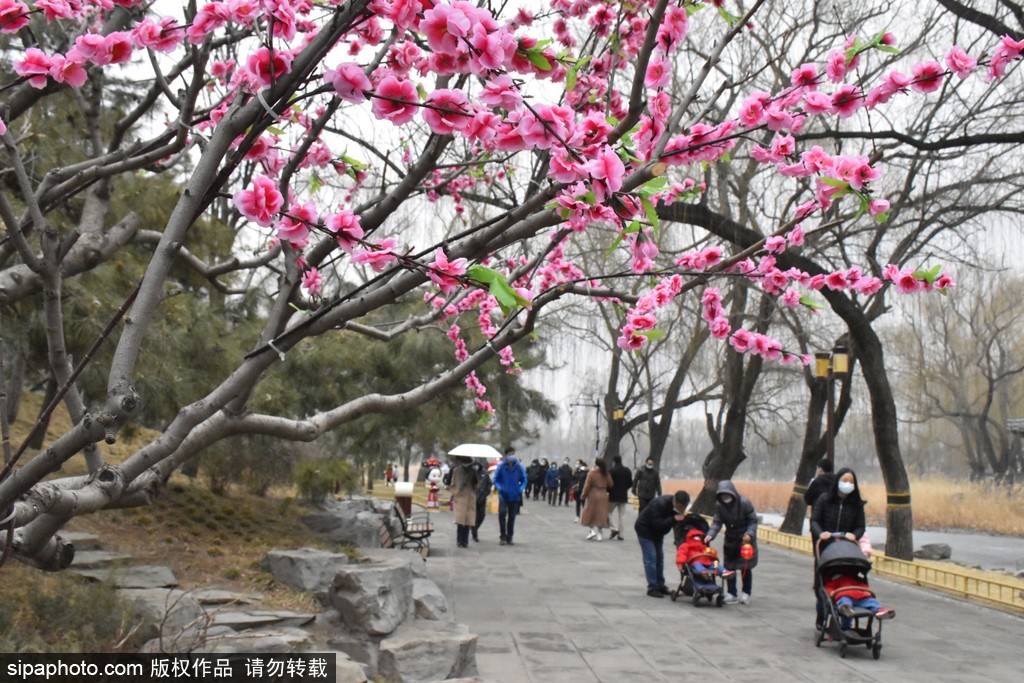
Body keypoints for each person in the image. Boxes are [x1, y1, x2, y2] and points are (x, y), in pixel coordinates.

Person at [810, 467, 867, 629]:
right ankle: (821, 615)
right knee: (822, 583)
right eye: (845, 481)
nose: (847, 484)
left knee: (846, 582)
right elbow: (815, 520)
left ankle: (845, 617)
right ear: (837, 482)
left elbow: (861, 526)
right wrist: (821, 534)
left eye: (851, 482)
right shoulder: (824, 499)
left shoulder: (856, 505)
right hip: (826, 549)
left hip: (847, 550)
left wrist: (854, 535)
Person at [705, 480, 758, 605]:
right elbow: (717, 522)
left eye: (727, 494)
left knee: (745, 568)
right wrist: (710, 534)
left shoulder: (744, 503)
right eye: (722, 495)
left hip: (745, 540)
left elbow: (753, 520)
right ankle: (731, 593)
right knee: (730, 567)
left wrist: (749, 534)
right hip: (730, 540)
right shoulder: (719, 506)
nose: (725, 497)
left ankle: (746, 593)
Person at [634, 490, 690, 597]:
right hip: (645, 530)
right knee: (651, 558)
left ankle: (660, 584)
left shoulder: (678, 509)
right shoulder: (659, 504)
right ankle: (652, 587)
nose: (681, 509)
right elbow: (657, 524)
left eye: (683, 507)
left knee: (660, 558)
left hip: (658, 534)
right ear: (674, 501)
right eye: (679, 506)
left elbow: (676, 525)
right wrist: (673, 518)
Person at [822, 568, 895, 628]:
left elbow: (829, 589)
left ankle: (847, 612)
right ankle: (878, 610)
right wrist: (867, 591)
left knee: (846, 601)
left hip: (849, 594)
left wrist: (832, 593)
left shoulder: (835, 582)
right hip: (858, 596)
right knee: (871, 602)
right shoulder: (852, 580)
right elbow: (863, 586)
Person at [493, 447, 527, 545]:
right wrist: (500, 488)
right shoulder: (501, 466)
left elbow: (524, 479)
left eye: (513, 454)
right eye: (510, 454)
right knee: (502, 514)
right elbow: (496, 479)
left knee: (512, 517)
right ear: (506, 455)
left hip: (515, 495)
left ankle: (510, 536)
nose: (512, 456)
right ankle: (503, 536)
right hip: (503, 495)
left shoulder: (519, 467)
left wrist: (520, 489)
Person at [448, 456, 480, 548]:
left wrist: (475, 477)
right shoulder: (456, 470)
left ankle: (465, 541)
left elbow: (476, 484)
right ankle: (460, 540)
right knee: (460, 520)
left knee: (468, 520)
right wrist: (454, 491)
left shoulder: (473, 471)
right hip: (460, 497)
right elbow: (453, 483)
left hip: (469, 497)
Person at [581, 457, 613, 541]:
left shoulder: (592, 473)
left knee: (590, 512)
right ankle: (600, 533)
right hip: (603, 494)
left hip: (593, 494)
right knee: (601, 514)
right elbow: (611, 484)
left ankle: (591, 530)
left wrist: (584, 495)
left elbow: (587, 485)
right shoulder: (606, 473)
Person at [607, 455, 632, 540]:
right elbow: (630, 483)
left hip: (613, 496)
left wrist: (608, 491)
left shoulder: (612, 471)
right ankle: (621, 535)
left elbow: (609, 483)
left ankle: (613, 528)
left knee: (607, 512)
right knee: (621, 516)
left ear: (614, 461)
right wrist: (624, 489)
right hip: (623, 496)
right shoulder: (627, 470)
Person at [473, 463, 493, 543]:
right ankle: (474, 532)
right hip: (472, 498)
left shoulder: (485, 474)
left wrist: (486, 493)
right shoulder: (471, 473)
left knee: (481, 516)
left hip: (482, 498)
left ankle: (475, 527)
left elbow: (489, 484)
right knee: (473, 516)